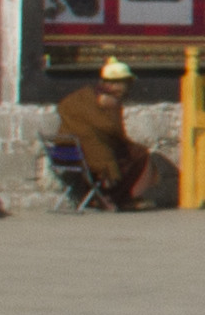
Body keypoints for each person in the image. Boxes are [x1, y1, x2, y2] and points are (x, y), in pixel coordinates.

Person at [59, 54, 160, 211]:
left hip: (65, 153)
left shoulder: (82, 97)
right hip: (90, 156)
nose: (126, 89)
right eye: (125, 84)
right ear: (115, 85)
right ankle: (117, 198)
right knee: (138, 156)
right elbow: (113, 131)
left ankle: (104, 197)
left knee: (128, 154)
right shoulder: (109, 101)